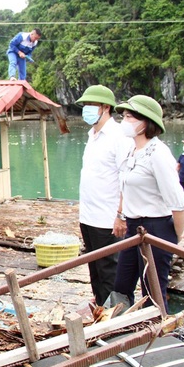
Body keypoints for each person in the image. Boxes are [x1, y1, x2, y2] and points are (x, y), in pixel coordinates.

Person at [112, 95, 184, 313]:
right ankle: (120, 328)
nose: (124, 121)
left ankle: (159, 333)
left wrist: (175, 236)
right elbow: (125, 187)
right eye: (124, 116)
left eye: (129, 117)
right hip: (134, 226)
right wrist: (121, 215)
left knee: (152, 289)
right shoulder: (131, 150)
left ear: (146, 122)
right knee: (122, 284)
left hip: (156, 228)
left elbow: (178, 202)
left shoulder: (158, 153)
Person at [75, 85, 133, 306]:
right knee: (95, 270)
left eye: (91, 105)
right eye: (84, 106)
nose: (86, 110)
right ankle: (101, 311)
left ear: (105, 107)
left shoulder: (119, 136)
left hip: (108, 219)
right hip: (89, 217)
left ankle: (116, 320)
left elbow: (126, 179)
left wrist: (121, 215)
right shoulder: (93, 135)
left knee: (111, 272)